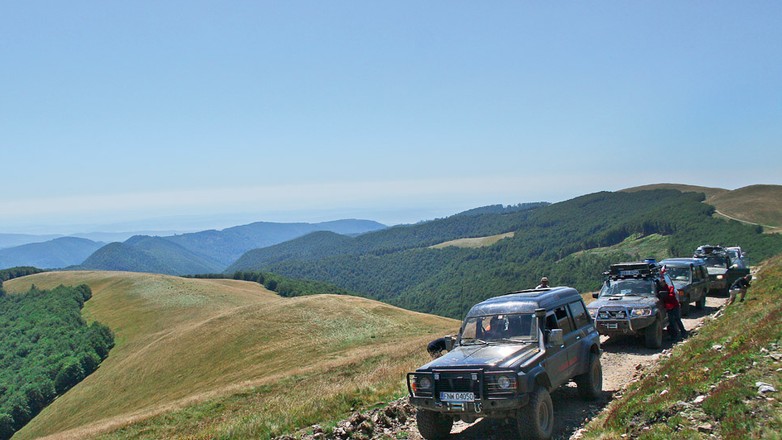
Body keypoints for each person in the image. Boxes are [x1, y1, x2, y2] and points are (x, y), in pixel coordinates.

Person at [660, 277, 687, 342]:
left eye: (662, 283)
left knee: (677, 320)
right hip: (668, 307)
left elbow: (672, 295)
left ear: (664, 282)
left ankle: (683, 333)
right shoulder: (660, 289)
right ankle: (673, 335)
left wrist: (665, 295)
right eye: (660, 283)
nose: (661, 284)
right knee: (671, 322)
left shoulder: (670, 288)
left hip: (675, 306)